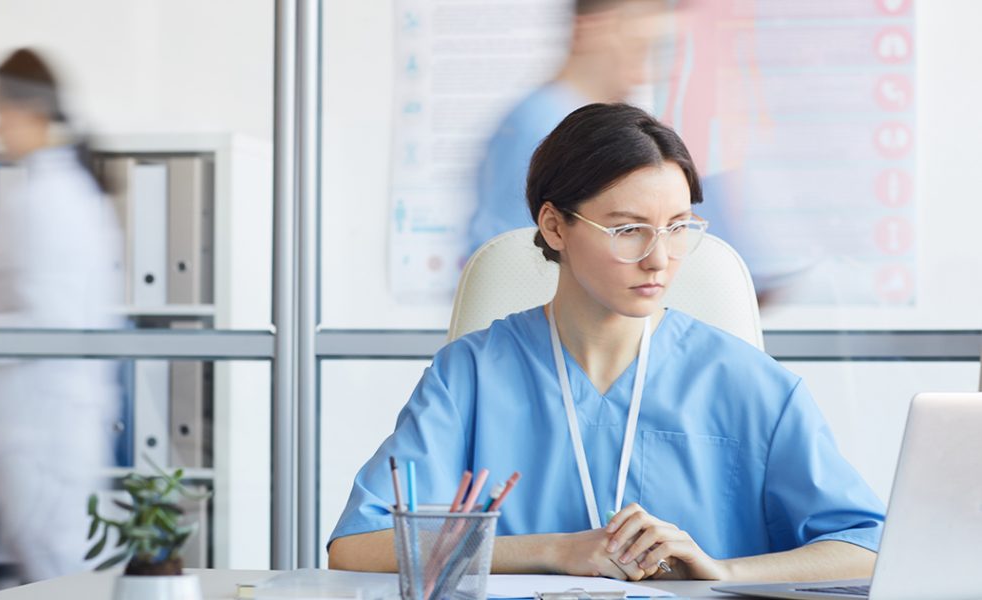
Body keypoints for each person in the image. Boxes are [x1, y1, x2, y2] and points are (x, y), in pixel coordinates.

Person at [329, 104, 884, 581]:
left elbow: (868, 545)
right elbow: (357, 547)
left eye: (677, 227)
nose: (660, 258)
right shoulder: (470, 376)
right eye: (628, 230)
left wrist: (723, 570)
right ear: (554, 227)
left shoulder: (752, 385)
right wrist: (555, 550)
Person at [0, 48, 123, 583]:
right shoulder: (46, 188)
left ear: (25, 111)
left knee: (57, 576)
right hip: (34, 427)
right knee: (39, 572)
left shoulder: (53, 198)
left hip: (42, 428)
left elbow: (50, 326)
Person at [466, 0, 667, 255]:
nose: (645, 75)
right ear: (593, 29)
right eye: (639, 48)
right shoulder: (545, 126)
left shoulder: (568, 121)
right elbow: (506, 256)